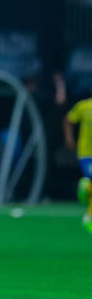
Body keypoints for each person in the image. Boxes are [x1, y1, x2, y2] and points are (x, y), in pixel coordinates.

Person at [64, 97, 92, 232]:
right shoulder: (84, 106)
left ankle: (88, 216)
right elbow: (68, 120)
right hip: (86, 153)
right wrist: (69, 138)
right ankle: (86, 187)